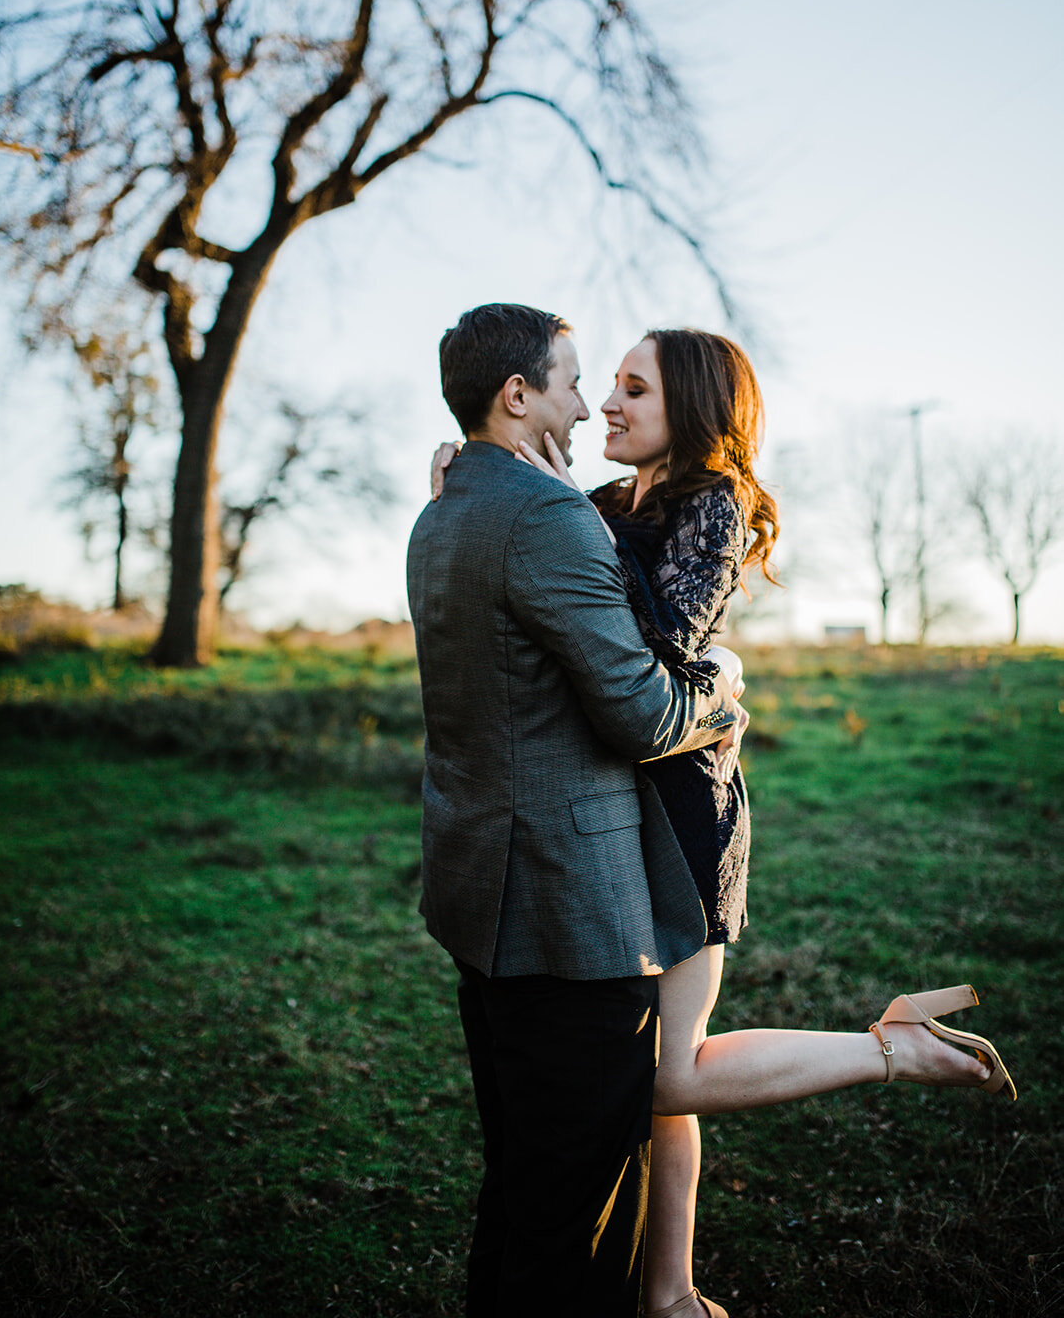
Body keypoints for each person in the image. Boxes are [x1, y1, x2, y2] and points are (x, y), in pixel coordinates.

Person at [432, 325, 1017, 1318]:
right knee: (659, 1074)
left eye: (632, 388)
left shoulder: (713, 503)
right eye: (603, 385)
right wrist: (489, 483)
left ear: (691, 409)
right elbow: (547, 582)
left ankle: (888, 1046)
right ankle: (668, 1294)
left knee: (667, 1070)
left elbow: (660, 639)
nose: (606, 405)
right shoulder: (607, 501)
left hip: (681, 806)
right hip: (615, 797)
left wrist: (538, 497)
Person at [406, 304, 747, 1318]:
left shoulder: (442, 511)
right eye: (570, 380)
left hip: (481, 897)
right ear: (517, 395)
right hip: (572, 913)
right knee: (575, 1221)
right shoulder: (553, 514)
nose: (585, 398)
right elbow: (646, 714)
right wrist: (724, 688)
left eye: (621, 385)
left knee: (519, 1184)